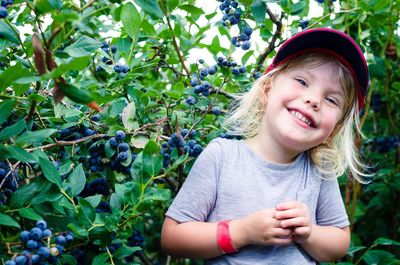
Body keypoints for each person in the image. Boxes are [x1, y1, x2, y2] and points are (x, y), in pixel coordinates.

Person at [161, 28, 370, 264]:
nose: (314, 100)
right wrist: (241, 232)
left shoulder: (318, 172)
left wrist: (310, 233)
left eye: (331, 99)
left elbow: (339, 243)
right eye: (302, 81)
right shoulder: (222, 156)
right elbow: (172, 237)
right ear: (267, 89)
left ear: (332, 131)